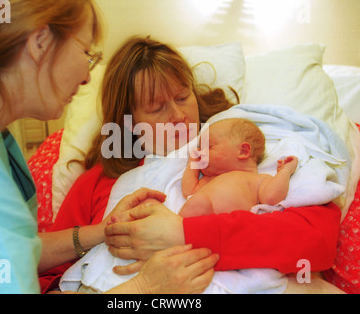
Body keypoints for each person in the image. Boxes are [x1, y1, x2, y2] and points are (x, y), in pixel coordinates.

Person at [0, 0, 218, 294]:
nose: (86, 76)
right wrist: (144, 289)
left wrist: (104, 232)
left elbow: (9, 250)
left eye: (182, 97)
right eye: (87, 53)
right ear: (40, 42)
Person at [46, 36, 341, 291]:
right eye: (157, 107)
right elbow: (48, 276)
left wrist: (185, 234)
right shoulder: (99, 182)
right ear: (130, 122)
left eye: (182, 97)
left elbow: (316, 240)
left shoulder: (240, 143)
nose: (177, 115)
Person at [179, 118, 299, 218]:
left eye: (209, 147)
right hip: (203, 223)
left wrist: (285, 171)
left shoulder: (257, 179)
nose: (200, 153)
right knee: (198, 203)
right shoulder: (209, 180)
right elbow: (188, 191)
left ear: (243, 151)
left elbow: (271, 198)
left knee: (198, 203)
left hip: (234, 225)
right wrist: (192, 162)